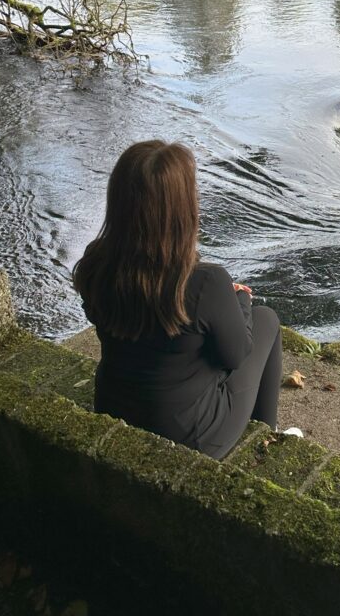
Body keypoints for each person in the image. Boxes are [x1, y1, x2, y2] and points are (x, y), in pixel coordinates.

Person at [73, 140, 283, 460]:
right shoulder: (206, 282)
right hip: (189, 435)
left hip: (113, 405)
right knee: (266, 319)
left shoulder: (95, 262)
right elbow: (236, 356)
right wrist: (239, 300)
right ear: (183, 208)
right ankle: (267, 437)